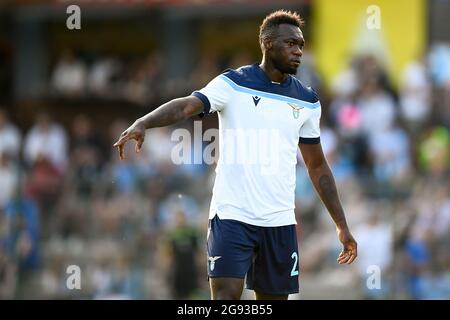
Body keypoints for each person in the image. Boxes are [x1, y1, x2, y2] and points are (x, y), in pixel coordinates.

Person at [113, 10, 357, 300]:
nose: (298, 51)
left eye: (301, 45)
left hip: (279, 222)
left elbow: (317, 167)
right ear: (267, 42)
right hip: (232, 216)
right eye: (290, 43)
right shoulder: (233, 83)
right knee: (226, 297)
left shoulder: (307, 100)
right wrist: (144, 122)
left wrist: (341, 225)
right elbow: (187, 106)